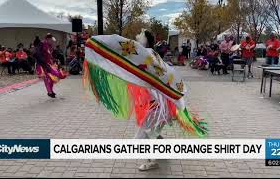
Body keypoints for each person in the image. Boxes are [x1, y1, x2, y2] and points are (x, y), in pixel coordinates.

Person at [83, 30, 207, 171]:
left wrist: (94, 42)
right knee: (152, 131)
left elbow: (120, 45)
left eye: (139, 36)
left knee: (142, 137)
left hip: (157, 106)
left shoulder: (145, 54)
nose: (136, 38)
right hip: (160, 104)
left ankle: (151, 161)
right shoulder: (153, 55)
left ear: (145, 40)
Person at [34, 33, 67, 98]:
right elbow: (37, 53)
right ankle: (50, 92)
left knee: (53, 76)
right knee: (47, 78)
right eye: (51, 40)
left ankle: (50, 91)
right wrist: (42, 62)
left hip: (49, 64)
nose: (52, 41)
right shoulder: (42, 43)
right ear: (48, 39)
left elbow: (50, 55)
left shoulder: (49, 45)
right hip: (42, 64)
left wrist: (55, 60)